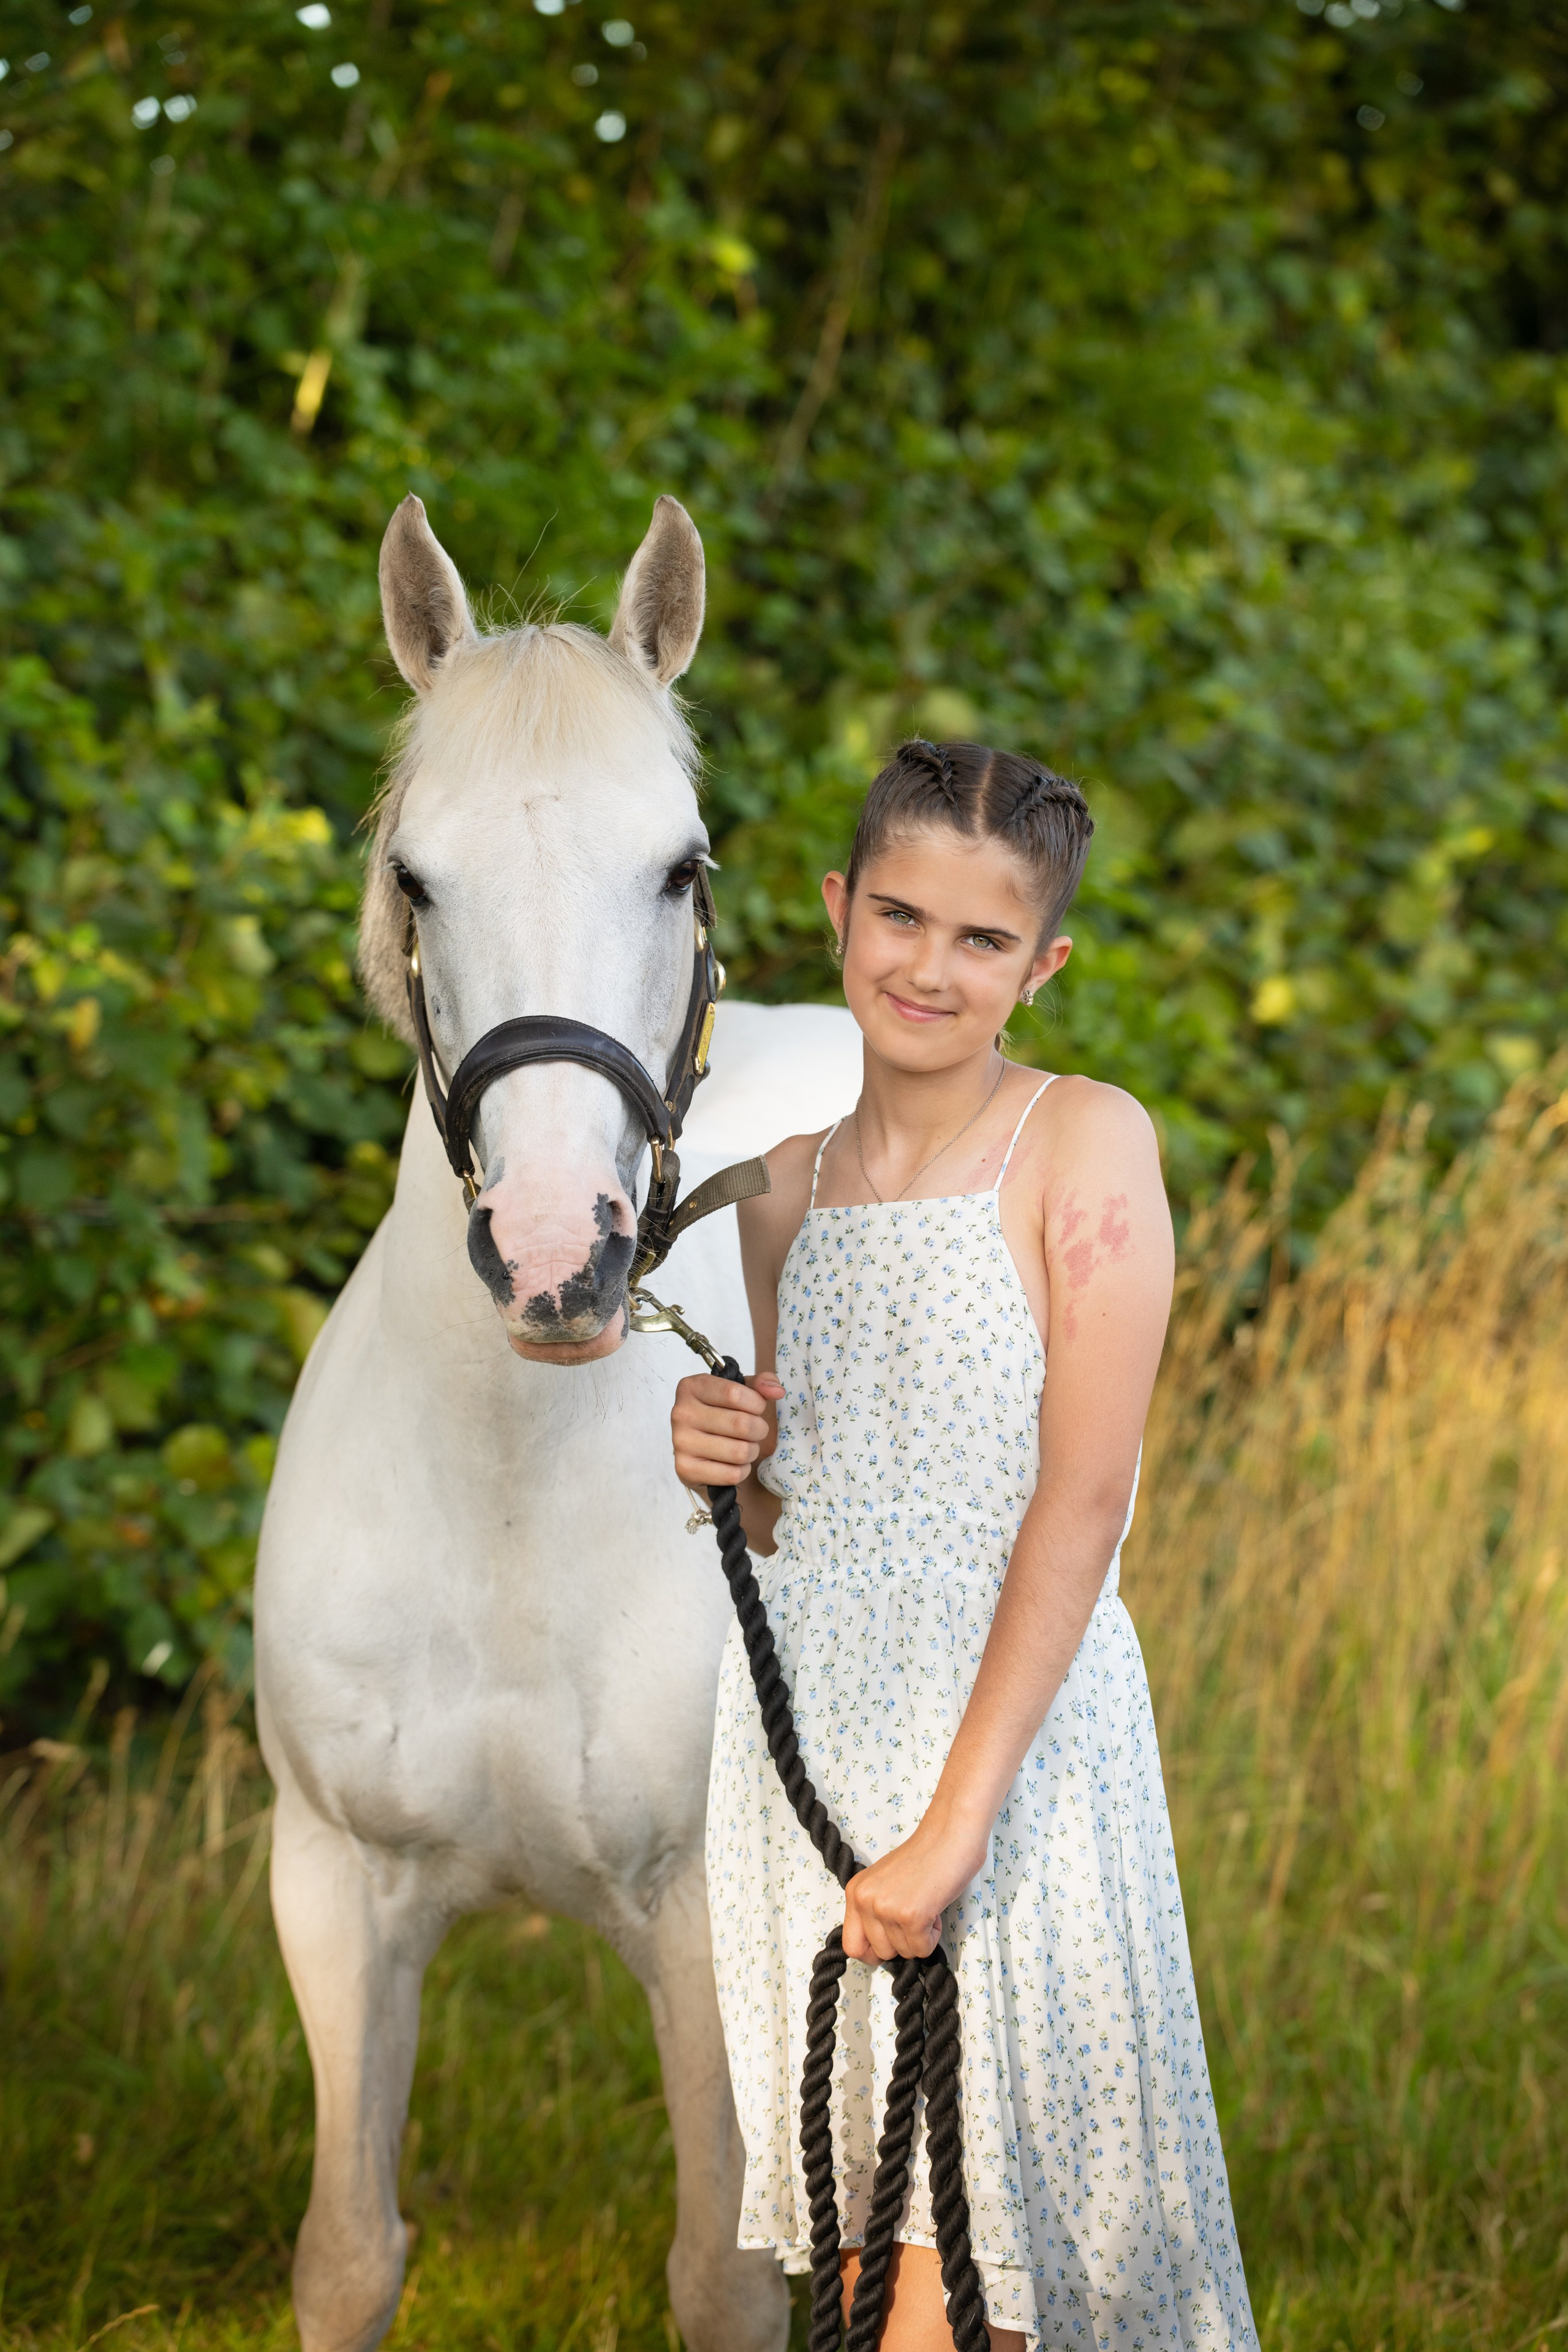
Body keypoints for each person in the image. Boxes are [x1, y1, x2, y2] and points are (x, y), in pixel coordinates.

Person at [670, 739, 1257, 2352]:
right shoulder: (784, 1192)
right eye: (903, 918)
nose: (931, 966)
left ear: (1043, 965)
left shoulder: (1081, 1145)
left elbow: (1084, 1498)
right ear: (839, 909)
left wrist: (955, 1827)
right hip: (814, 1766)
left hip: (1006, 1765)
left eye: (983, 939)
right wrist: (723, 1464)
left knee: (988, 2257)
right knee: (868, 2264)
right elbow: (801, 1511)